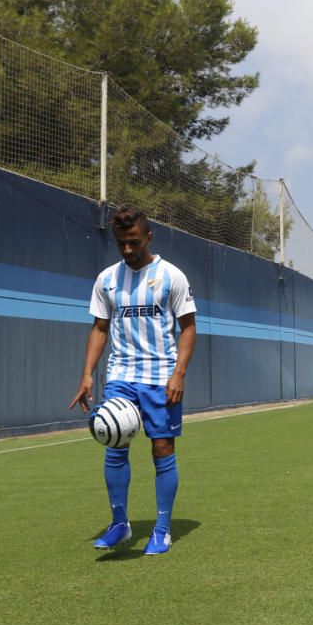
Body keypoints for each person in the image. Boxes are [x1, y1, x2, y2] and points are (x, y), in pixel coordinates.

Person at [69, 206, 197, 556]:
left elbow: (188, 329)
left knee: (162, 449)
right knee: (114, 443)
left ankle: (162, 529)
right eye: (121, 243)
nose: (128, 249)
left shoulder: (172, 276)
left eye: (134, 242)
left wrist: (179, 373)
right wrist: (87, 376)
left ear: (149, 237)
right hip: (121, 375)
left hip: (160, 377)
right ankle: (120, 524)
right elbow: (99, 328)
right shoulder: (106, 279)